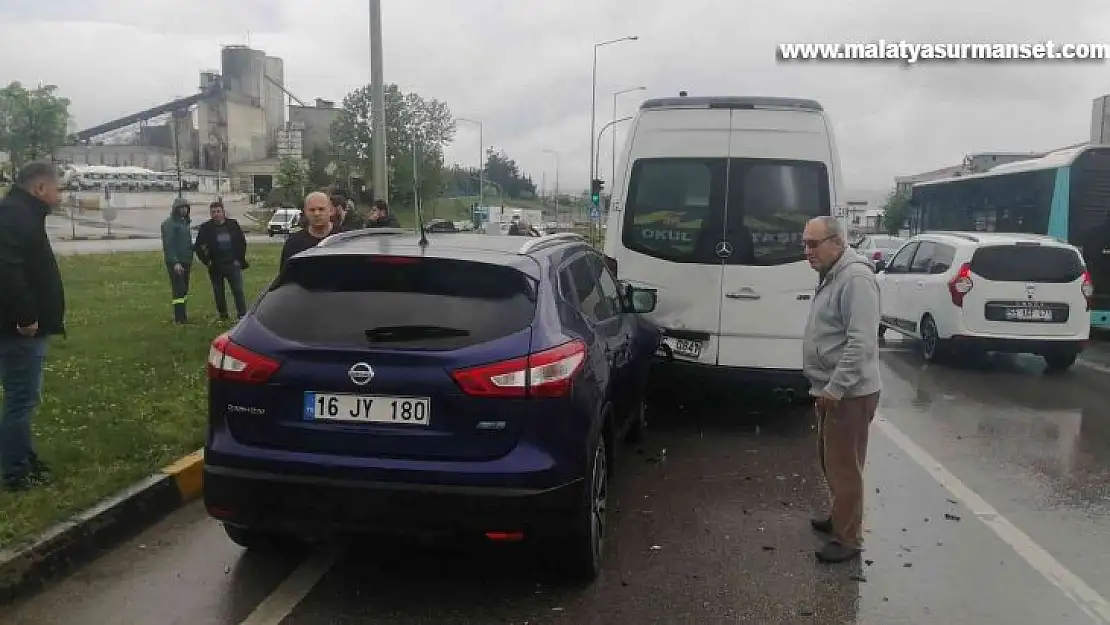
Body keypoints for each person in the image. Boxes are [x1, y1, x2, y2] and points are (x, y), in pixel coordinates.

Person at [801, 215, 882, 564]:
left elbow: (861, 342)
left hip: (849, 393)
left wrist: (835, 388)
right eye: (805, 243)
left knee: (844, 466)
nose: (808, 251)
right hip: (832, 389)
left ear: (837, 241)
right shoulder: (833, 275)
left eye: (814, 244)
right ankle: (840, 517)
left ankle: (848, 539)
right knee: (830, 460)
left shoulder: (856, 279)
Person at [0, 161, 65, 491]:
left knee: (25, 396)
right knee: (20, 399)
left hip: (26, 328)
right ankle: (16, 470)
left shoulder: (22, 213)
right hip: (20, 330)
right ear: (39, 188)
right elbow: (8, 270)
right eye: (57, 187)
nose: (60, 194)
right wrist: (26, 317)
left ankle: (23, 456)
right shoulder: (16, 215)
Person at [193, 200, 249, 320]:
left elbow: (242, 242)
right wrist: (207, 261)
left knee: (238, 290)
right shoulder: (205, 228)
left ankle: (242, 314)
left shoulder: (233, 224)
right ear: (210, 214)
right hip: (216, 265)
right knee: (219, 292)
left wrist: (239, 259)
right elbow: (198, 247)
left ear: (223, 212)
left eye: (218, 211)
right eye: (213, 212)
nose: (216, 214)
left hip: (232, 264)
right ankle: (223, 315)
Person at [161, 197, 194, 324]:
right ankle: (179, 318)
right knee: (179, 289)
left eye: (186, 207)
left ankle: (183, 314)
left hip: (186, 261)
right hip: (176, 263)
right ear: (176, 209)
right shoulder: (169, 224)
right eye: (181, 208)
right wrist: (175, 262)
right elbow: (168, 245)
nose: (184, 210)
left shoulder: (184, 223)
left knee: (184, 289)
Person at [280, 191, 334, 268]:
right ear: (305, 212)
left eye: (321, 209)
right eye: (312, 210)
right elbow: (285, 276)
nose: (316, 214)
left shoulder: (344, 239)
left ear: (331, 210)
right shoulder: (294, 243)